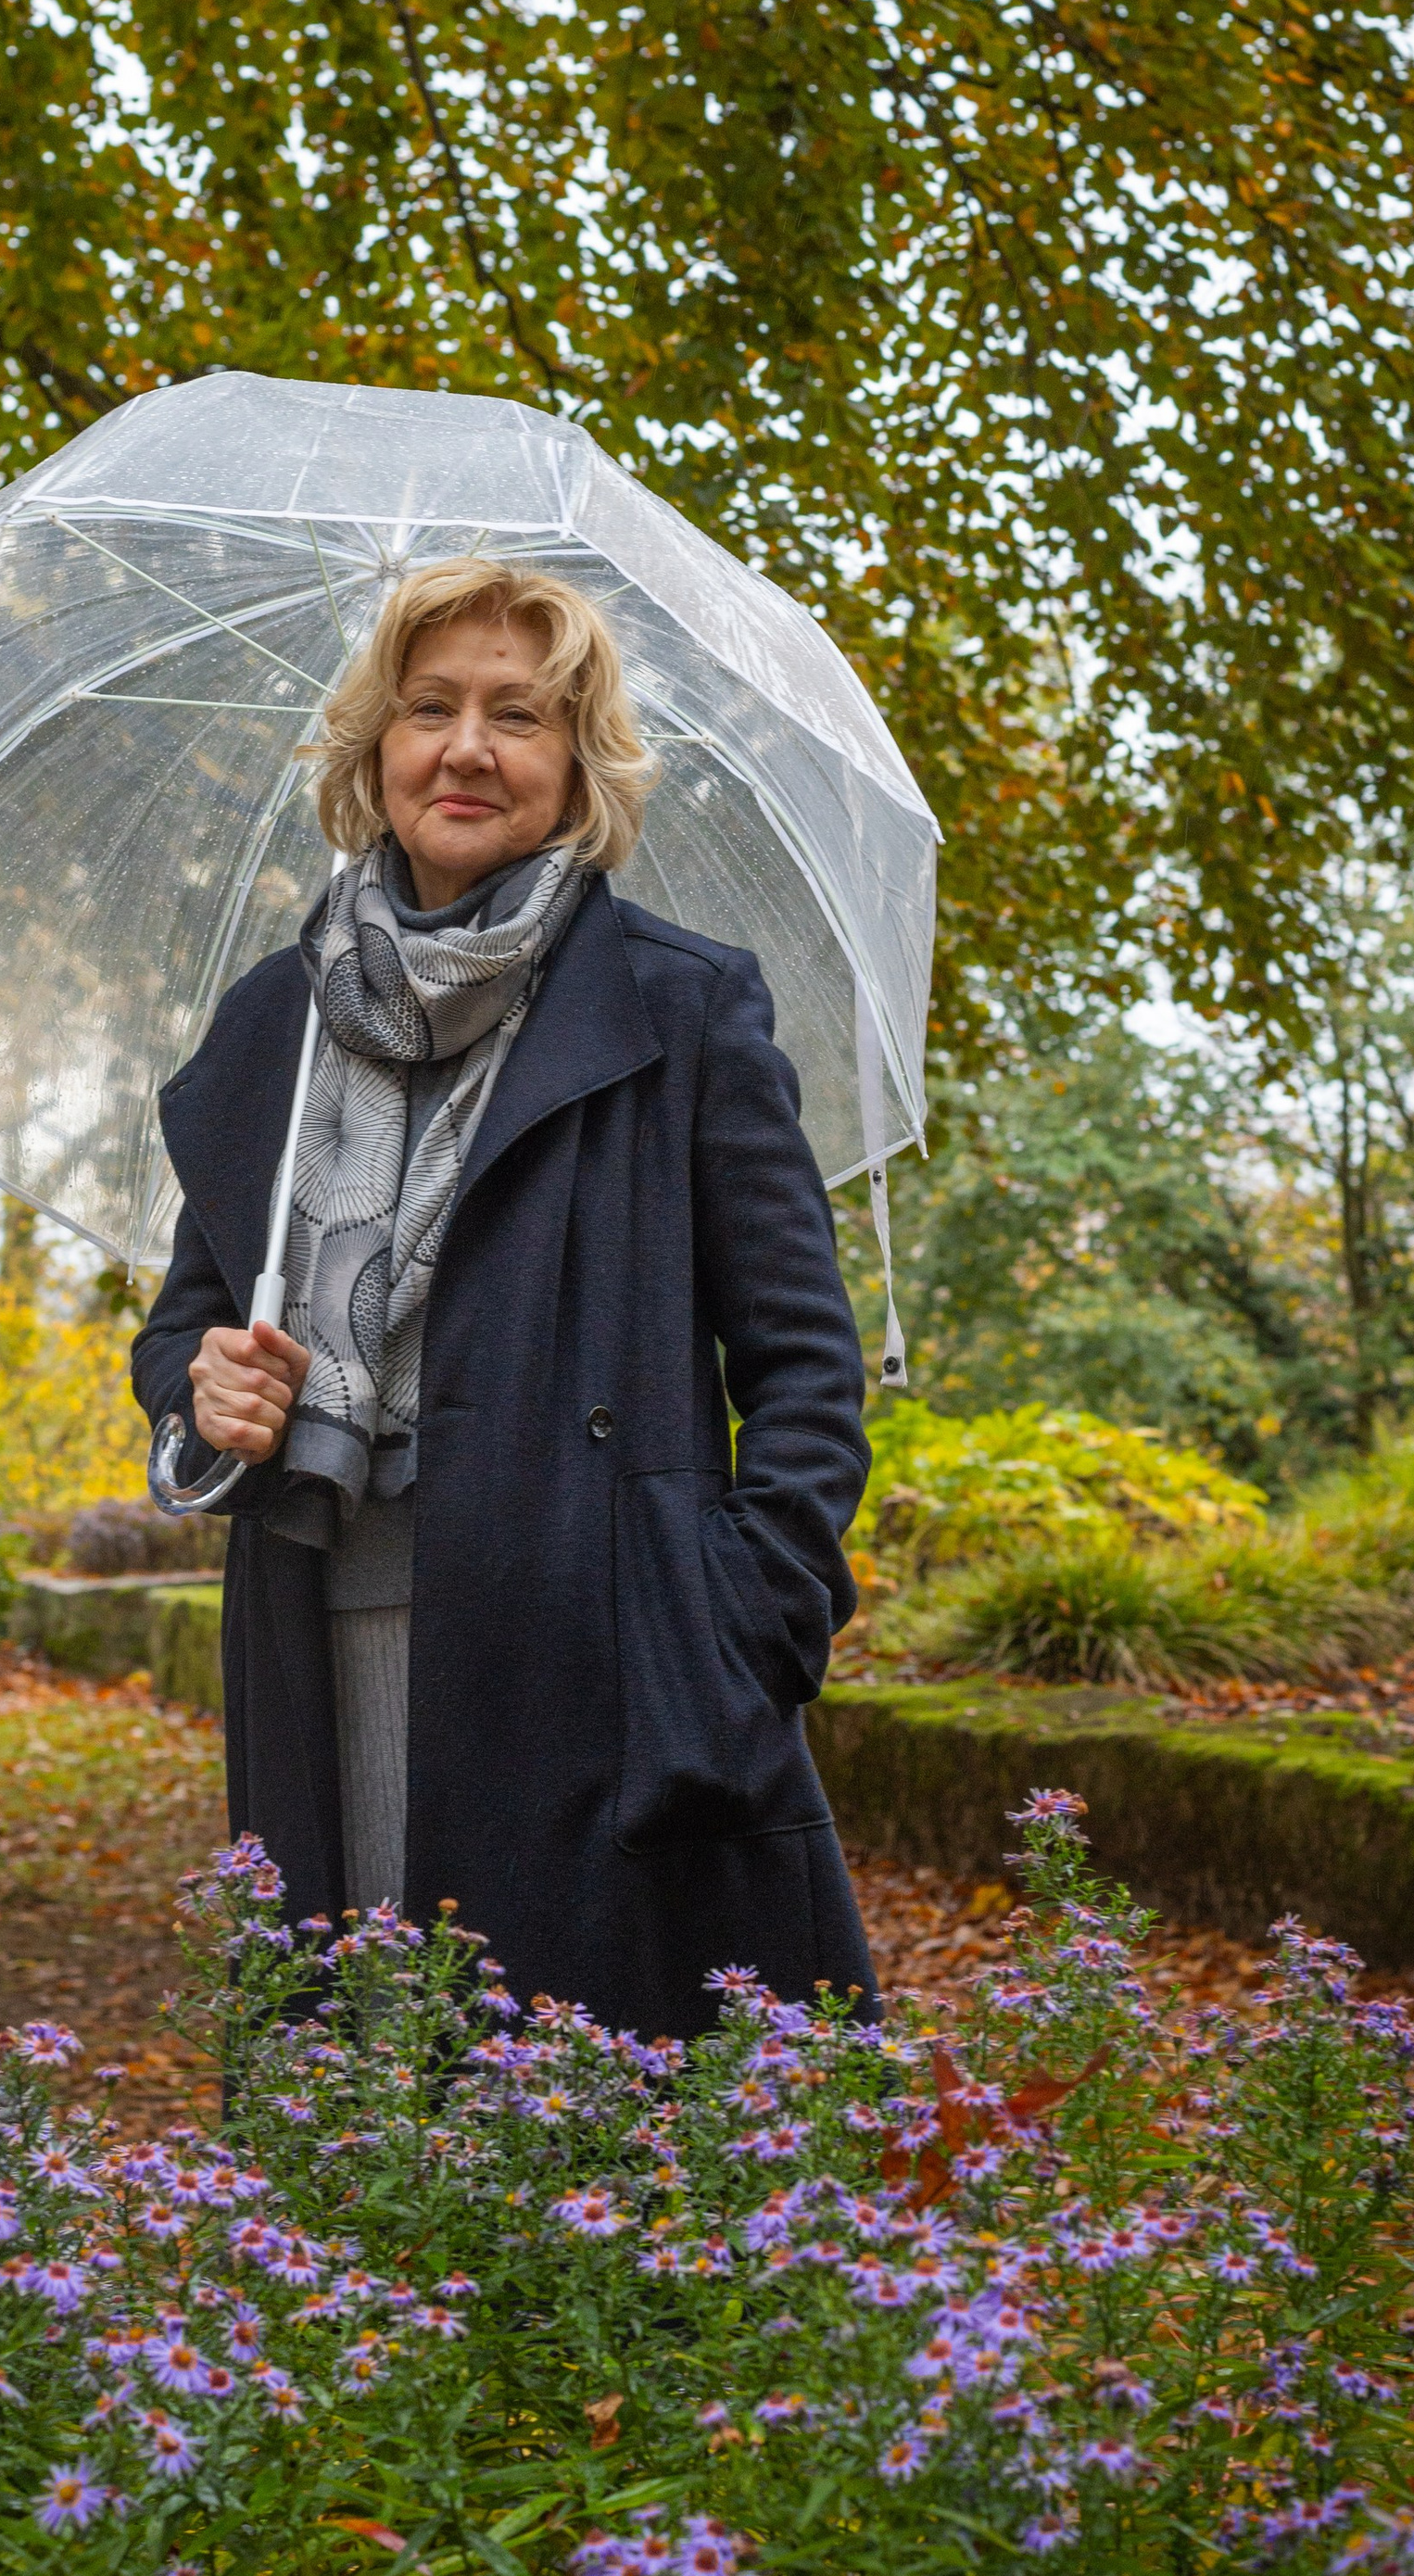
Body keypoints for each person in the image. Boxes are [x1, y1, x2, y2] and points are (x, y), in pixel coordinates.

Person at [131, 557, 877, 2039]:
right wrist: (202, 1395)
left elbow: (803, 1368)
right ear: (373, 749)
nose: (466, 748)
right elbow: (184, 1326)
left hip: (596, 1651)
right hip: (319, 1625)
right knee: (359, 2074)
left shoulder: (680, 1004)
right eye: (430, 708)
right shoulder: (276, 1020)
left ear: (579, 765)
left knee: (585, 2106)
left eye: (518, 716)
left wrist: (739, 1629)